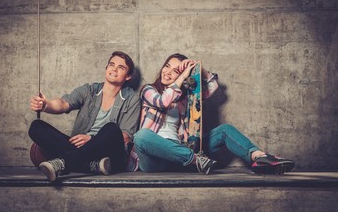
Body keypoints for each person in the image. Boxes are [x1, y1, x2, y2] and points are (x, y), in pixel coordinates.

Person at [133, 53, 295, 175]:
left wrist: (198, 68)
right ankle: (195, 160)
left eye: (175, 70)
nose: (167, 72)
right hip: (155, 162)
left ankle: (259, 158)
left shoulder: (186, 99)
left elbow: (211, 87)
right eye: (167, 66)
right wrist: (182, 75)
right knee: (141, 136)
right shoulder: (148, 90)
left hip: (179, 155)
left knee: (225, 130)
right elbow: (163, 102)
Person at [29, 51, 141, 182]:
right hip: (80, 149)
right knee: (36, 127)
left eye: (121, 68)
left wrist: (92, 139)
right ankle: (91, 166)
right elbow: (64, 103)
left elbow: (125, 136)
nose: (114, 69)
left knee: (112, 128)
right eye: (111, 64)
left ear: (128, 76)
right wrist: (46, 105)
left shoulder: (132, 98)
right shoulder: (89, 90)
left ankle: (63, 163)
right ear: (106, 68)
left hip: (110, 154)